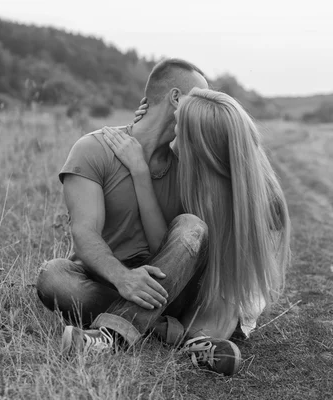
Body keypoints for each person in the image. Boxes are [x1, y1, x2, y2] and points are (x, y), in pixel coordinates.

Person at [36, 60, 291, 376]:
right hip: (120, 283)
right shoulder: (95, 148)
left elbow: (189, 239)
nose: (204, 104)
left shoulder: (191, 163)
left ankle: (113, 336)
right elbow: (85, 233)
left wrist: (245, 155)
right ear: (175, 99)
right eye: (199, 95)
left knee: (191, 226)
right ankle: (166, 330)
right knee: (53, 276)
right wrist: (123, 278)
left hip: (181, 288)